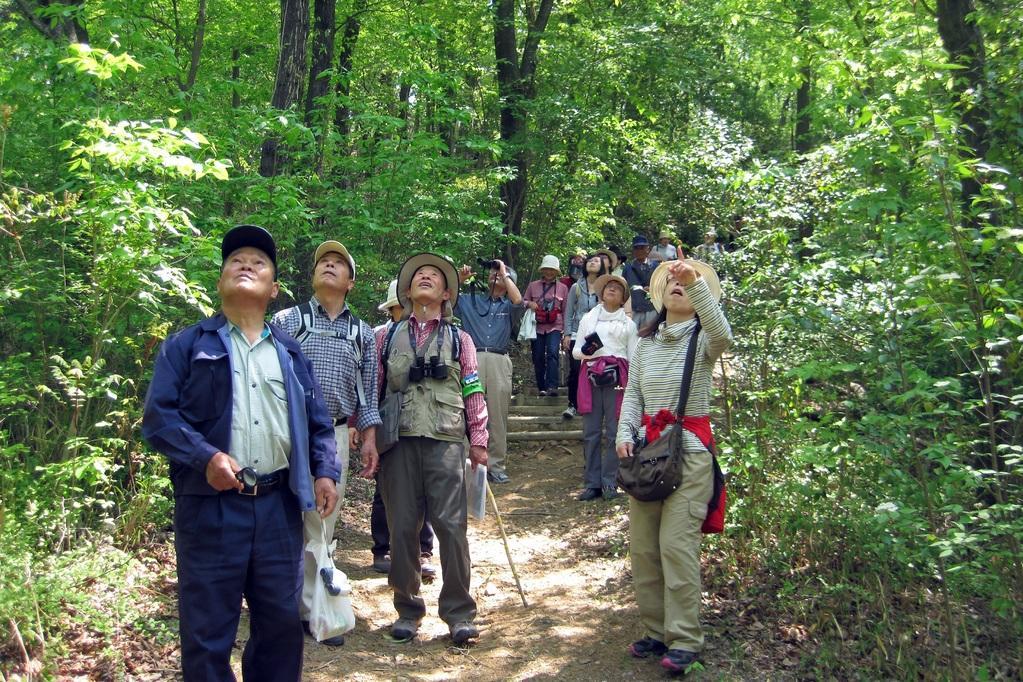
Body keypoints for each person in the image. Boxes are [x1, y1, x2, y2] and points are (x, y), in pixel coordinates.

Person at [142, 225, 341, 681]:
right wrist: (205, 457)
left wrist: (325, 471)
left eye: (259, 261)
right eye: (235, 260)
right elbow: (159, 419)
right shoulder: (188, 346)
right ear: (220, 282)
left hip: (278, 509)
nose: (246, 264)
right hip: (208, 510)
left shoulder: (292, 355)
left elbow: (318, 423)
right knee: (207, 633)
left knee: (279, 630)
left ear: (273, 289)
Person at [615, 258, 732, 675]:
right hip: (649, 453)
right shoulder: (645, 342)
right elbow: (633, 397)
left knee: (676, 547)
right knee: (644, 548)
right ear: (660, 297)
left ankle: (685, 638)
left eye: (684, 286)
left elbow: (724, 332)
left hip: (691, 454)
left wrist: (694, 281)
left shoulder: (704, 340)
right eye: (672, 284)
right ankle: (657, 630)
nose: (676, 288)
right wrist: (624, 434)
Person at [270, 240, 381, 646]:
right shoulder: (286, 319)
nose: (329, 267)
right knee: (281, 519)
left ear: (350, 282)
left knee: (322, 522)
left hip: (334, 435)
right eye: (323, 262)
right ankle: (283, 605)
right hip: (284, 431)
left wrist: (368, 438)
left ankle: (314, 610)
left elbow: (368, 392)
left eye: (338, 264)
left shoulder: (362, 332)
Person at [376, 253, 489, 645]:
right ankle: (407, 609)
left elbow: (472, 387)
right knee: (402, 527)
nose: (425, 279)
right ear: (407, 292)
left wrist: (479, 440)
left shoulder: (462, 339)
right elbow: (373, 391)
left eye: (434, 277)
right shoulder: (386, 336)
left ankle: (459, 613)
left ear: (446, 294)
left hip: (445, 440)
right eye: (418, 276)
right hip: (399, 442)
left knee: (451, 528)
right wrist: (367, 438)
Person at [370, 279, 436, 577]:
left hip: (425, 419)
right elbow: (372, 383)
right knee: (384, 490)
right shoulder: (380, 337)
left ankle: (423, 550)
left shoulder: (436, 333)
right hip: (388, 416)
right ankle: (383, 548)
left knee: (425, 489)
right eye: (400, 307)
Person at [455, 259, 522, 484]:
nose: (496, 275)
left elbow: (518, 300)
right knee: (467, 412)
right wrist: (459, 280)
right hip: (471, 358)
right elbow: (443, 299)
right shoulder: (469, 300)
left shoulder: (508, 305)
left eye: (501, 274)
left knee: (497, 415)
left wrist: (505, 272)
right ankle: (466, 463)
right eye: (493, 272)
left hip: (498, 360)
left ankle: (496, 465)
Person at [573, 273, 637, 501]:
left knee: (614, 431)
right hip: (590, 375)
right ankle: (592, 483)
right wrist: (587, 352)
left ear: (622, 299)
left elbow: (633, 357)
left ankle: (610, 482)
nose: (611, 289)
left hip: (617, 378)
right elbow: (576, 351)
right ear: (601, 293)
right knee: (590, 431)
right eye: (608, 286)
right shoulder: (588, 319)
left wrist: (632, 386)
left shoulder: (629, 325)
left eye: (617, 288)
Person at [561, 254, 608, 419]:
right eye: (590, 261)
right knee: (575, 370)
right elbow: (568, 312)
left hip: (598, 334)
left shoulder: (605, 287)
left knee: (594, 369)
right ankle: (572, 405)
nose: (592, 262)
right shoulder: (576, 287)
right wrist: (566, 334)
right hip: (576, 332)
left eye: (596, 261)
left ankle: (590, 406)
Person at [522, 255, 568, 396]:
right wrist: (530, 303)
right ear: (542, 270)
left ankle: (552, 386)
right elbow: (522, 301)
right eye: (547, 269)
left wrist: (566, 331)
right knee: (538, 355)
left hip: (556, 325)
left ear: (556, 272)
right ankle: (541, 387)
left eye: (552, 270)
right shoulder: (533, 286)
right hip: (537, 325)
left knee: (553, 353)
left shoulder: (563, 288)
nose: (549, 272)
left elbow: (566, 309)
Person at [622, 235, 658, 331]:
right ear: (633, 251)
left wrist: (652, 289)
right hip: (633, 308)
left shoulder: (656, 266)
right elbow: (623, 289)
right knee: (631, 335)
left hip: (651, 308)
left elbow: (661, 285)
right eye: (636, 248)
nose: (639, 250)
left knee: (649, 336)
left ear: (648, 249)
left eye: (642, 248)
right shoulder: (627, 268)